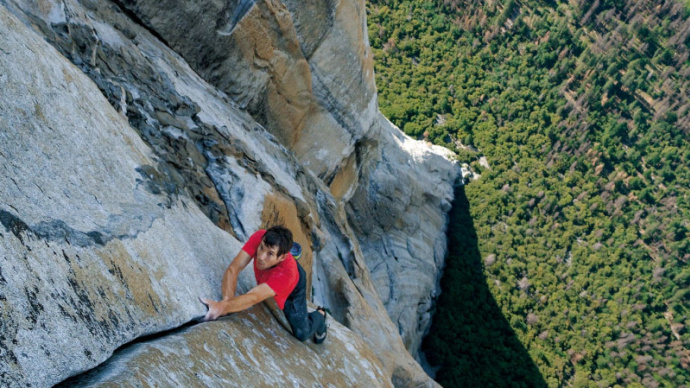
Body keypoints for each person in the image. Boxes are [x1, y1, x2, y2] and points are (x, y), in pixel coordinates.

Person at [199, 226, 327, 343]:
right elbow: (234, 269)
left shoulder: (287, 275)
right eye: (261, 248)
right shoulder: (261, 237)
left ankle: (320, 316)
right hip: (279, 269)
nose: (260, 256)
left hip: (294, 284)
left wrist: (223, 307)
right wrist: (226, 303)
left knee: (302, 333)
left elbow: (254, 297)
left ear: (282, 257)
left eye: (269, 253)